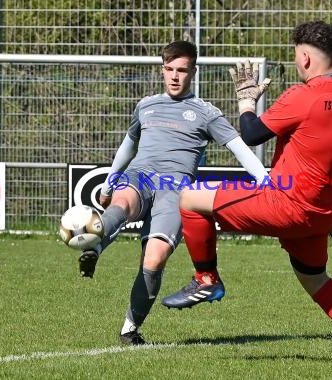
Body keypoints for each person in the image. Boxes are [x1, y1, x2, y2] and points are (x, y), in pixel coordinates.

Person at [161, 21, 332, 367]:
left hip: (286, 203)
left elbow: (252, 134)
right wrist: (330, 224)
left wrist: (246, 100)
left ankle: (206, 279)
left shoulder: (303, 95)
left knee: (191, 198)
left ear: (304, 58)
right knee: (315, 280)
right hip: (320, 213)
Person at [72, 40, 269, 345]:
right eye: (170, 70)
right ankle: (94, 249)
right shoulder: (146, 105)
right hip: (140, 175)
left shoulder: (206, 113)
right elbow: (129, 144)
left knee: (155, 258)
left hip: (175, 190)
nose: (175, 76)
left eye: (182, 70)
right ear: (162, 69)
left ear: (193, 72)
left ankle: (129, 329)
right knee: (122, 203)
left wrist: (266, 183)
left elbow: (240, 150)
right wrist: (112, 180)